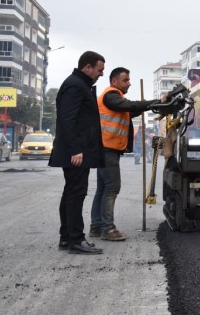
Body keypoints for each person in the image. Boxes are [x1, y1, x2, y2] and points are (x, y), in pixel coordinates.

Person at [89, 67, 161, 241]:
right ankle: (108, 229)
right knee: (112, 187)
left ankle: (96, 227)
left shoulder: (116, 98)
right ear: (115, 82)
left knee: (102, 189)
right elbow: (129, 105)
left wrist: (151, 106)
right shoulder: (111, 95)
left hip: (106, 148)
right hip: (107, 149)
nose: (129, 83)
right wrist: (155, 102)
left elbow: (131, 109)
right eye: (125, 80)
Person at [49, 51, 106, 255]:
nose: (100, 74)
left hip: (77, 150)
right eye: (99, 70)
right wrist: (76, 149)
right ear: (87, 67)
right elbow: (67, 119)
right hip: (76, 152)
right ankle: (76, 240)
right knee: (76, 194)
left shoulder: (80, 84)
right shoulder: (75, 85)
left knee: (70, 193)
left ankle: (66, 238)